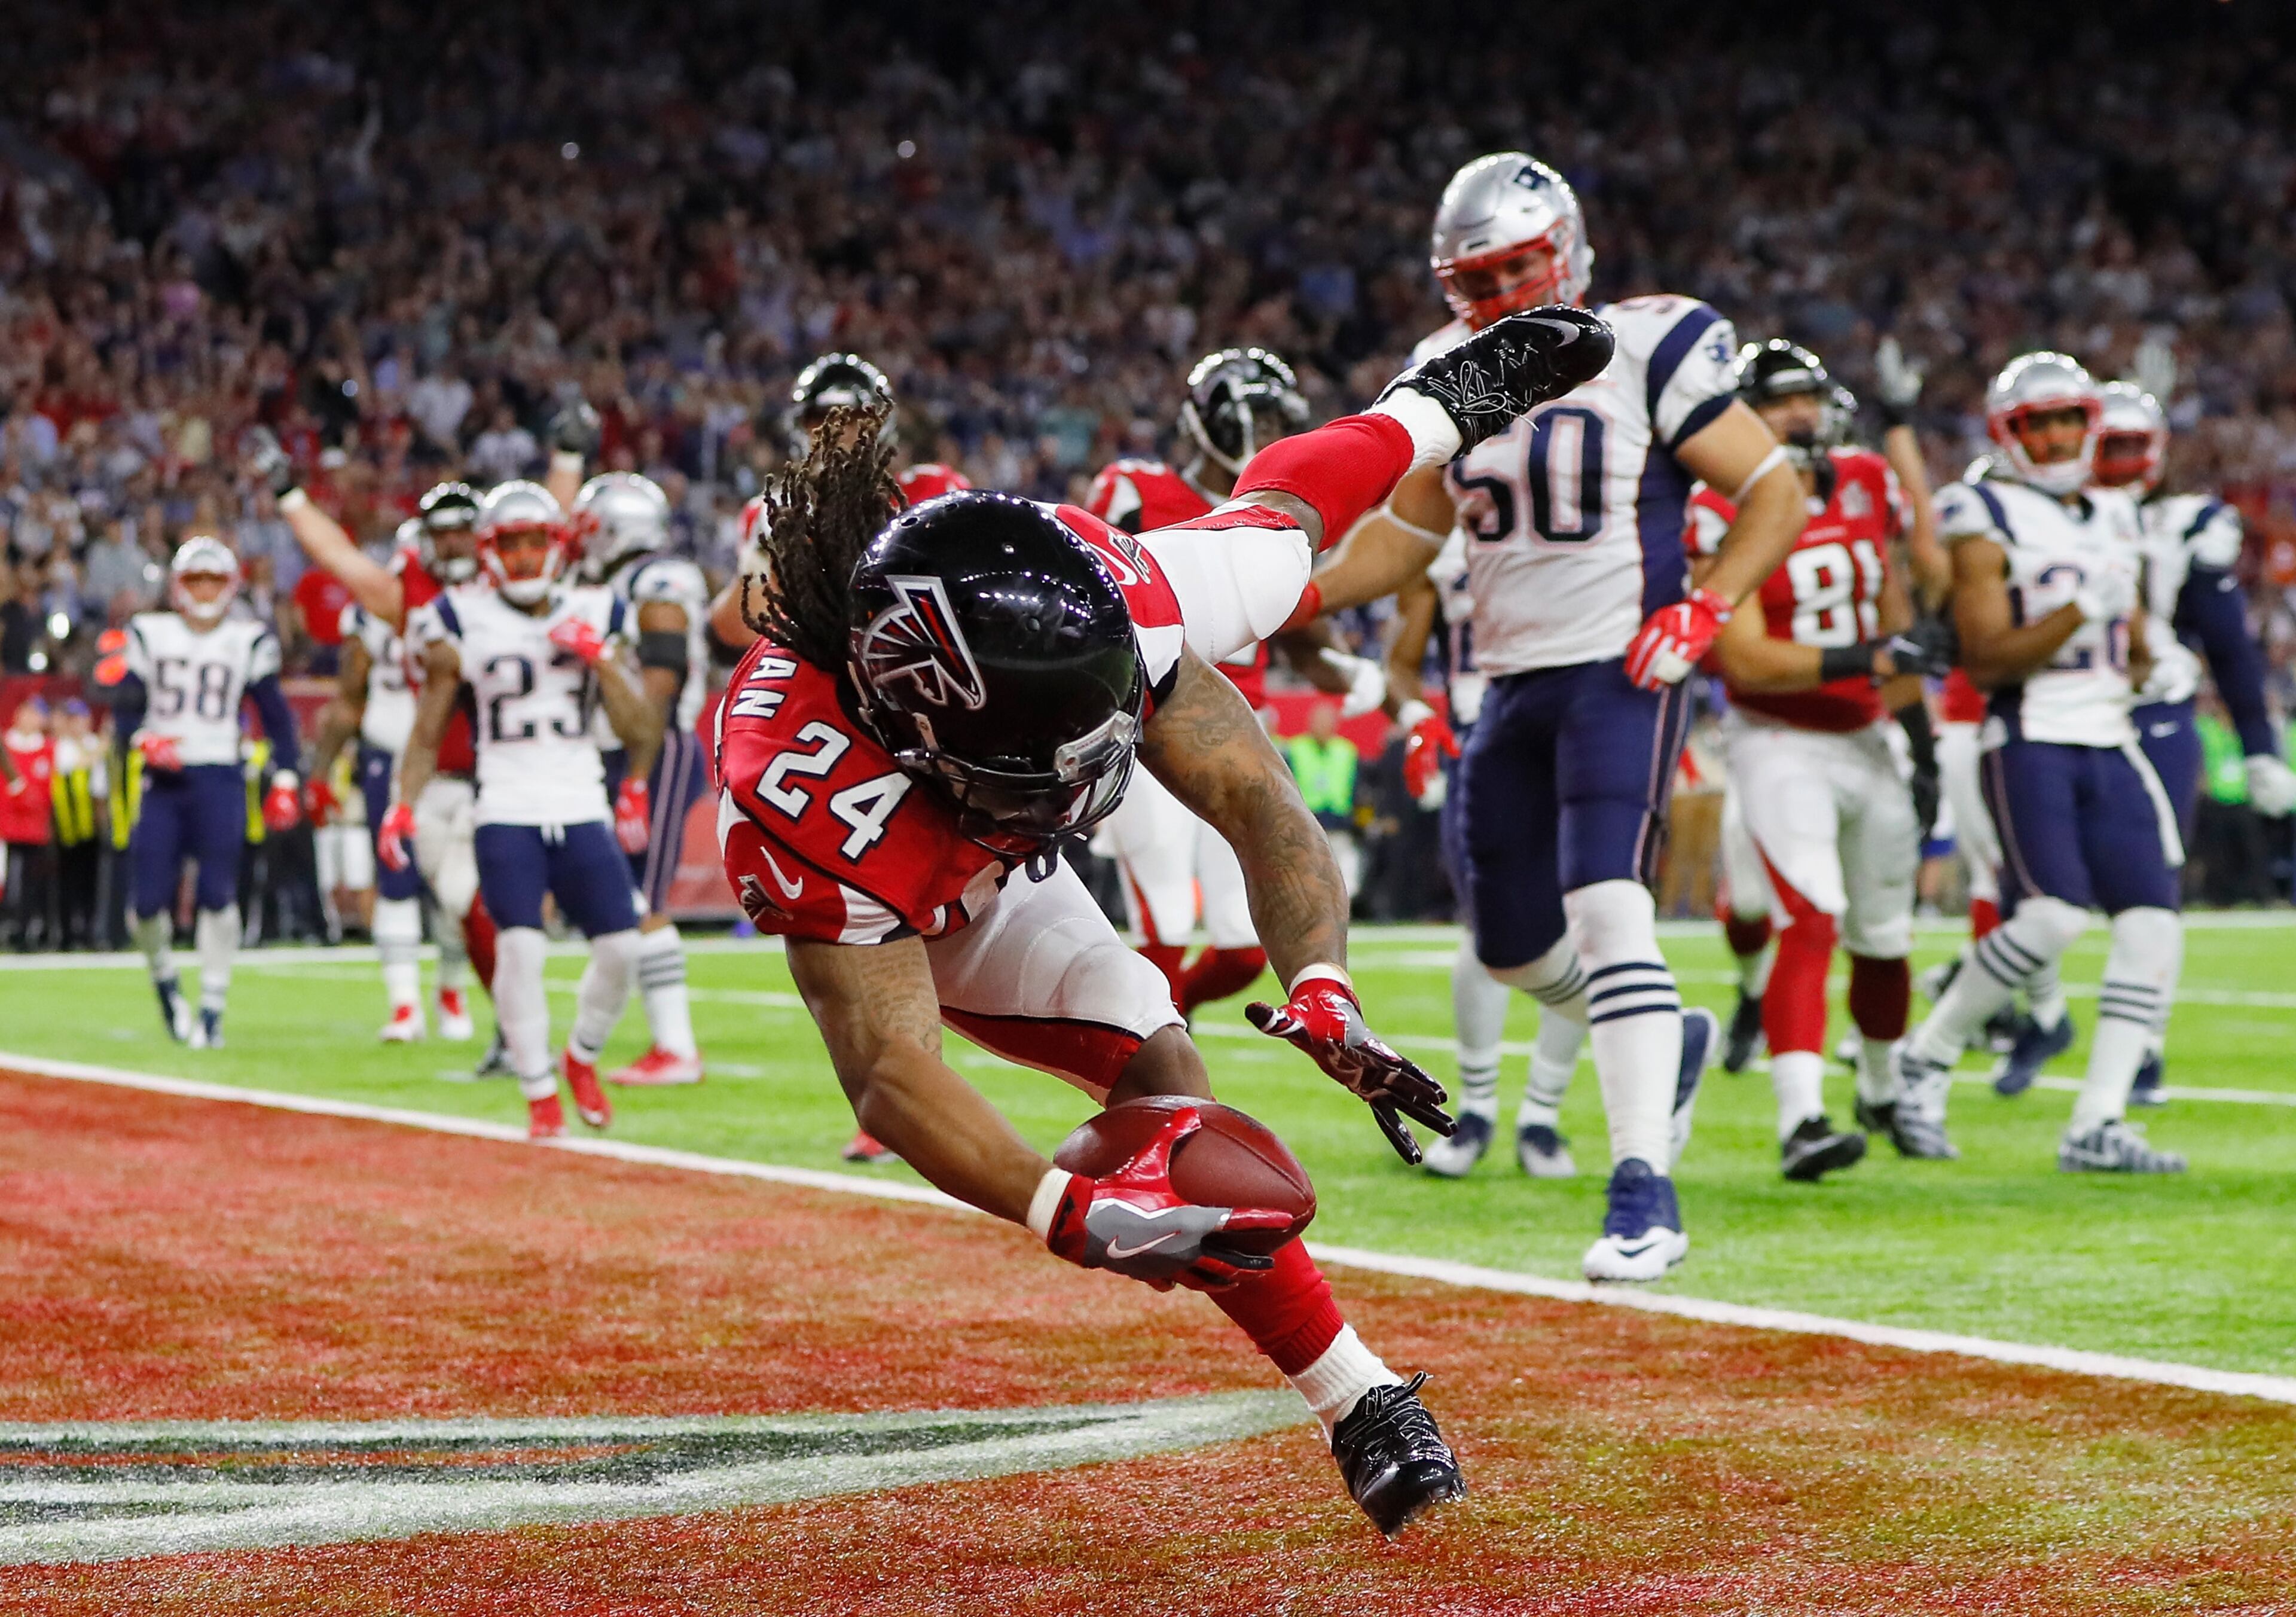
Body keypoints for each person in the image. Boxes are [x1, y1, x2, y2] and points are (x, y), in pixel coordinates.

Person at [716, 308, 1610, 1534]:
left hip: (983, 807)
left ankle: (1356, 1403)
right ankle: (1358, 1393)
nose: (1093, 784)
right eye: (1051, 760)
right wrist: (1064, 1209)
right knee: (1148, 1034)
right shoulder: (809, 783)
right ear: (926, 730)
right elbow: (888, 1068)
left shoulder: (1118, 595)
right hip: (931, 890)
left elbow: (1278, 620)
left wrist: (1442, 402)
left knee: (1170, 1088)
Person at [1299, 152, 1806, 1280]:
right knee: (1511, 942)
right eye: (1481, 279)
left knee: (1610, 901)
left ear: (1568, 252)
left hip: (1622, 662)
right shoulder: (1446, 368)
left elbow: (1775, 485)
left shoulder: (1652, 343)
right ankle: (1662, 1034)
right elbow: (1409, 538)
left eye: (1524, 266)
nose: (1507, 295)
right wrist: (1298, 588)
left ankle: (1643, 1189)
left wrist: (1709, 606)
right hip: (1508, 683)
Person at [1891, 353, 2186, 1173]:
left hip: (2110, 735)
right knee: (2053, 917)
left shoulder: (2117, 515)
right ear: (2007, 434)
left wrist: (2151, 661)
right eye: (2037, 424)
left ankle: (2097, 1121)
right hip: (2029, 735)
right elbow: (1987, 661)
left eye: (2067, 421)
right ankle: (1928, 1054)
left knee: (2155, 927)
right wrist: (2076, 612)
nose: (2055, 439)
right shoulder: (1982, 512)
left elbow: (2123, 644)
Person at [1690, 342, 1950, 1178]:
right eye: (1780, 403)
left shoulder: (1866, 478)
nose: (1800, 415)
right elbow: (1745, 660)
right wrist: (1868, 658)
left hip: (1869, 735)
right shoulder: (1714, 502)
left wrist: (1919, 738)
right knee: (1812, 912)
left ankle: (1880, 1089)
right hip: (1778, 738)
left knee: (1884, 937)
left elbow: (1901, 605)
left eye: (1808, 399)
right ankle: (1802, 1117)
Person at [1085, 349, 1390, 1019]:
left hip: (1238, 722)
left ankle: (1167, 1019)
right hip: (1149, 710)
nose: (1270, 433)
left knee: (1247, 944)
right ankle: (1147, 1064)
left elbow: (1304, 631)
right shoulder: (1136, 488)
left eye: (1281, 419)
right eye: (1259, 417)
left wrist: (1352, 673)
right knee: (1165, 913)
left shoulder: (1282, 512)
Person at [389, 483, 664, 1139]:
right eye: (509, 544)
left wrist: (599, 657)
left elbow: (641, 730)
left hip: (578, 797)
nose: (521, 557)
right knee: (519, 947)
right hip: (506, 802)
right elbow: (428, 727)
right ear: (490, 551)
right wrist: (402, 806)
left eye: (533, 542)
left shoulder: (601, 607)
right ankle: (539, 1089)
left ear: (557, 546)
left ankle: (582, 1055)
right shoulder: (457, 616)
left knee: (624, 947)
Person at [249, 434, 503, 1076]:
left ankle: (485, 1009)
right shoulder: (397, 600)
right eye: (439, 534)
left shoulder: (507, 584)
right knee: (422, 889)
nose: (451, 545)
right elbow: (348, 691)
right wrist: (290, 495)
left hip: (498, 761)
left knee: (476, 901)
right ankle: (415, 1005)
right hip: (409, 756)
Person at [2089, 381, 2296, 1103]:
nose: (2113, 461)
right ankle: (2020, 1013)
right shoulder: (2033, 515)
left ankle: (2142, 1040)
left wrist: (2260, 743)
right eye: (2102, 444)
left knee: (2154, 886)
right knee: (2040, 895)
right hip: (2055, 709)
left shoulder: (2188, 524)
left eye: (2126, 445)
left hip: (2155, 710)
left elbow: (2231, 646)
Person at [115, 536, 302, 1046]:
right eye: (194, 579)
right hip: (164, 780)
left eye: (212, 580)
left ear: (231, 585)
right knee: (147, 903)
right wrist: (141, 738)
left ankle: (213, 1007)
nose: (203, 590)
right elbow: (125, 707)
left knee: (219, 896)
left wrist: (286, 776)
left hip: (221, 775)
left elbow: (277, 716)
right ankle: (167, 985)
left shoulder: (248, 639)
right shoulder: (149, 633)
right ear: (178, 585)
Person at [567, 471, 711, 1088]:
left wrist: (638, 775)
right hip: (623, 751)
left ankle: (676, 1048)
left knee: (641, 896)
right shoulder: (615, 581)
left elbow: (661, 674)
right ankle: (663, 1042)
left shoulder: (659, 578)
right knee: (621, 893)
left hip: (654, 748)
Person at [308, 518, 472, 1042]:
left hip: (448, 761)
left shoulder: (464, 613)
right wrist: (319, 773)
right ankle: (405, 1004)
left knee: (460, 892)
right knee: (395, 882)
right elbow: (349, 699)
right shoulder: (369, 618)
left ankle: (450, 985)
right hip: (387, 753)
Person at [1286, 700, 1361, 898]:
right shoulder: (1296, 749)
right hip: (1307, 822)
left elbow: (1357, 788)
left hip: (1339, 823)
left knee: (1344, 875)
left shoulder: (1347, 751)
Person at [48, 699, 105, 951]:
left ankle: (90, 931)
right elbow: (72, 767)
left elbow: (101, 786)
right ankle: (67, 934)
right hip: (64, 825)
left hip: (91, 825)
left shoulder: (93, 745)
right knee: (65, 881)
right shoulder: (61, 747)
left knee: (90, 881)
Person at [1, 698, 56, 950]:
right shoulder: (7, 745)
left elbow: (48, 791)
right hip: (5, 826)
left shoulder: (48, 749)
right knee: (6, 880)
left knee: (32, 883)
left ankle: (26, 931)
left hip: (35, 828)